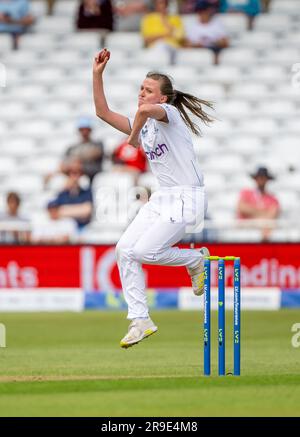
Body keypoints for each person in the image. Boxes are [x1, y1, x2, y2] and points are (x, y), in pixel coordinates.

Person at [93, 48, 214, 348]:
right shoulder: (144, 125)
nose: (142, 94)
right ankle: (140, 319)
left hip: (189, 198)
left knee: (146, 251)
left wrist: (132, 138)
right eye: (140, 89)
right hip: (164, 198)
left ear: (162, 98)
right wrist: (97, 74)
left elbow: (145, 113)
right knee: (124, 250)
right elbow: (102, 113)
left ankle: (197, 259)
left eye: (148, 90)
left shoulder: (168, 114)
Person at [237, 166, 280, 241]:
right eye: (259, 177)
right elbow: (242, 208)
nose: (261, 180)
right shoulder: (246, 193)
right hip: (245, 233)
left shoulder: (273, 199)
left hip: (263, 234)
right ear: (255, 179)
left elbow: (272, 215)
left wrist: (253, 213)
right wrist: (263, 214)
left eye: (263, 177)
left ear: (267, 179)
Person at [50, 158, 93, 230]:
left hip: (83, 229)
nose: (75, 177)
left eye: (78, 173)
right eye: (71, 173)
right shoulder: (62, 193)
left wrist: (63, 211)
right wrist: (78, 211)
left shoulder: (86, 192)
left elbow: (87, 211)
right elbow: (53, 213)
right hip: (65, 229)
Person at [184, 0, 229, 65]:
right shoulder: (191, 26)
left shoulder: (217, 24)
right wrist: (197, 45)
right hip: (197, 53)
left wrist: (213, 42)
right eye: (201, 11)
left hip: (214, 51)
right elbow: (186, 44)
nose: (204, 13)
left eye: (205, 10)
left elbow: (225, 43)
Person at [141, 0, 185, 64]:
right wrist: (166, 34)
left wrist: (165, 21)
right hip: (155, 49)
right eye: (159, 3)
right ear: (155, 5)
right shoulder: (148, 18)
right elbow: (146, 39)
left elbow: (180, 37)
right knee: (160, 46)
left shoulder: (175, 18)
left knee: (163, 47)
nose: (162, 6)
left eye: (164, 3)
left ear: (167, 4)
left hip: (173, 48)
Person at [64, 116, 104, 183]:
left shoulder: (98, 144)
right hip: (76, 172)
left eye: (86, 129)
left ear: (90, 130)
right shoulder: (73, 147)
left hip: (91, 173)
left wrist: (77, 160)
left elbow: (95, 154)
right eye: (82, 129)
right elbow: (66, 160)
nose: (84, 132)